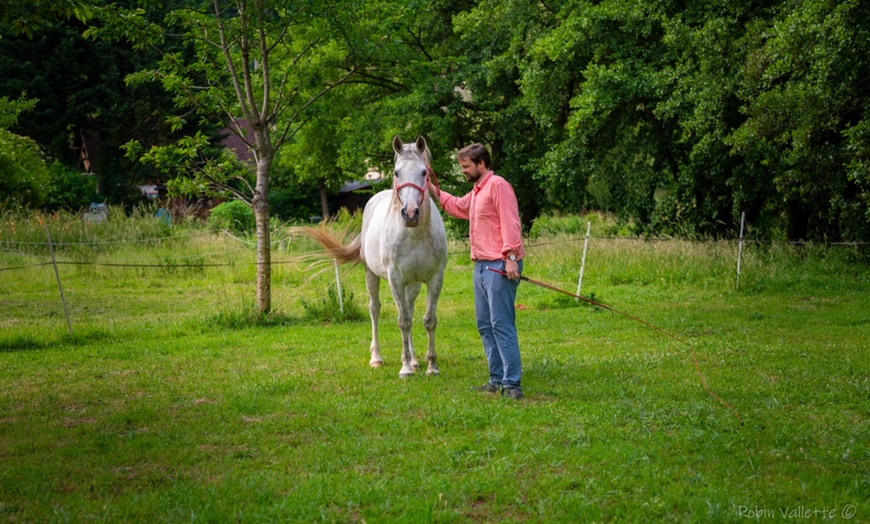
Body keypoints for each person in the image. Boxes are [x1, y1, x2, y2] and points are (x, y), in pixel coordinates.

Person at [427, 143, 526, 400]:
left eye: (466, 167)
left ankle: (512, 384)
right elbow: (459, 206)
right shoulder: (477, 191)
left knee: (501, 324)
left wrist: (511, 257)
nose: (464, 171)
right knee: (485, 325)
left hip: (500, 265)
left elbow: (511, 222)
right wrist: (433, 190)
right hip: (481, 266)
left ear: (482, 164)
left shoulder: (498, 186)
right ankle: (495, 379)